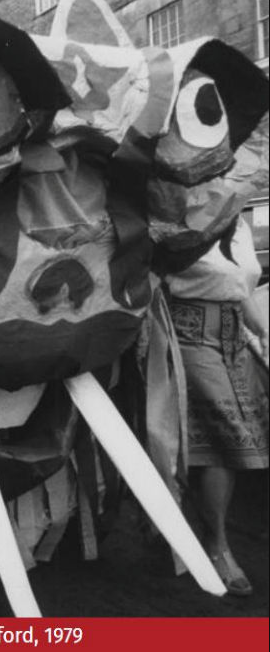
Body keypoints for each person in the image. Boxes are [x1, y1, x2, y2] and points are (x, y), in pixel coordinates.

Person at [166, 216, 268, 596]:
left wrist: (262, 330)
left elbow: (239, 286)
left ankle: (205, 533)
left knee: (233, 440)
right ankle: (217, 545)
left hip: (234, 335)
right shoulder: (168, 215)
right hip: (186, 332)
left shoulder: (236, 220)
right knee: (224, 439)